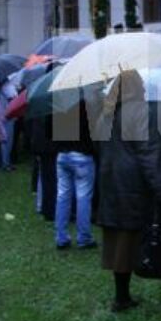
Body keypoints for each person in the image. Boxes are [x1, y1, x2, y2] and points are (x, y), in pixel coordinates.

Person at [98, 71, 161, 311]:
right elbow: (150, 154)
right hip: (138, 187)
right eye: (141, 84)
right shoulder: (142, 112)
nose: (145, 88)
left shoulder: (107, 114)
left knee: (121, 243)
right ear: (135, 88)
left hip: (113, 184)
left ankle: (122, 298)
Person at [53, 98, 97, 250]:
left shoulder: (59, 104)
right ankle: (84, 237)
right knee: (83, 197)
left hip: (62, 155)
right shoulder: (89, 106)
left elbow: (49, 130)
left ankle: (61, 237)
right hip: (82, 155)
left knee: (62, 195)